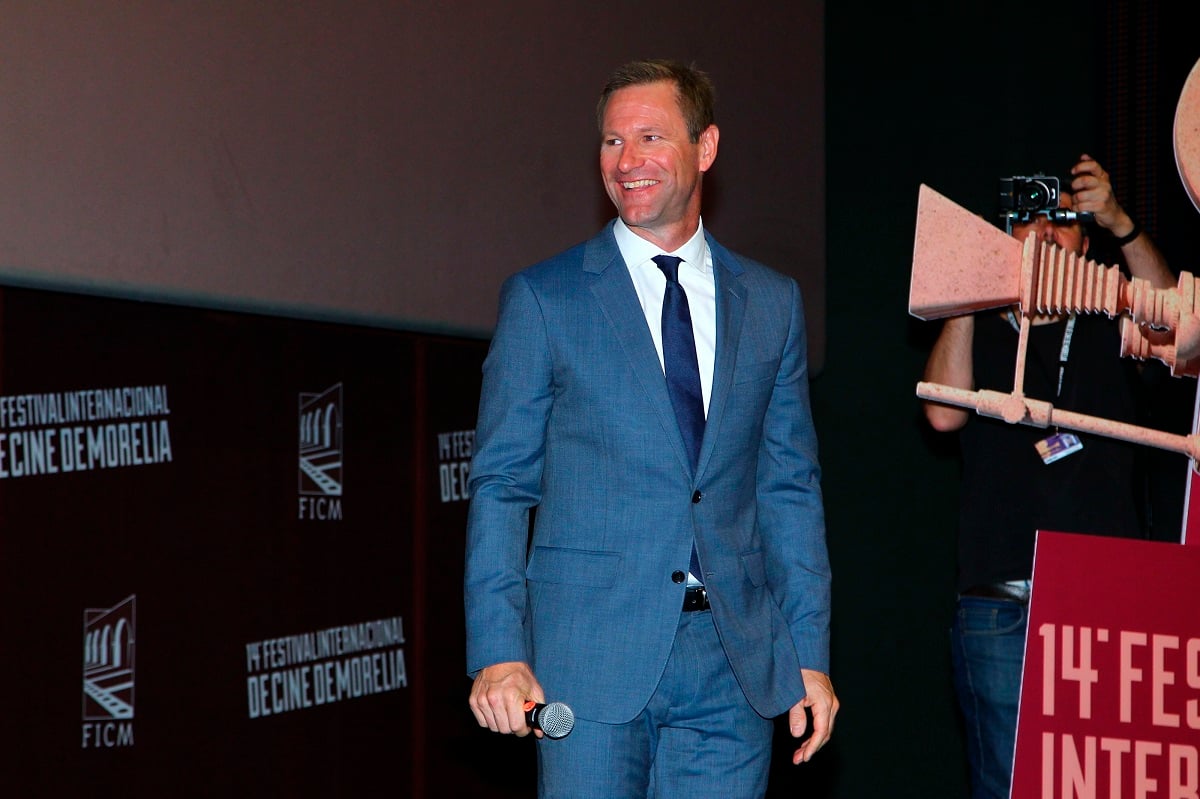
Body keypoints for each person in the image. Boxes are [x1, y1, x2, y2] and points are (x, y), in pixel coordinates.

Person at [464, 59, 837, 797]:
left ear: (706, 148)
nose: (626, 161)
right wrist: (498, 651)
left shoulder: (771, 303)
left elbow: (788, 487)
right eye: (610, 141)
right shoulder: (546, 298)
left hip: (735, 664)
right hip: (587, 660)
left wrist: (810, 652)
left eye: (649, 137)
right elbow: (502, 485)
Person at [922, 154, 1175, 799]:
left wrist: (1120, 222)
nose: (1046, 233)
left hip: (1107, 598)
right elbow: (943, 416)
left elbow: (1175, 325)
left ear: (1084, 243)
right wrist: (967, 291)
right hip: (1000, 601)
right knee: (1008, 783)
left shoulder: (1109, 322)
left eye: (1062, 221)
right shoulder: (978, 324)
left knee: (1110, 781)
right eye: (1028, 221)